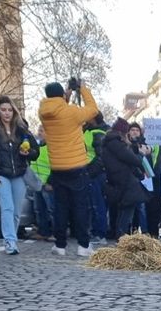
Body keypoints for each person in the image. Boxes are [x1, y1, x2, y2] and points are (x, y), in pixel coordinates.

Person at [38, 78, 100, 256]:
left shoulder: (43, 113)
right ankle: (83, 246)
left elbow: (57, 107)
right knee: (80, 207)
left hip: (57, 167)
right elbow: (93, 109)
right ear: (61, 95)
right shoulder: (72, 112)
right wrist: (83, 89)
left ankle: (60, 245)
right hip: (76, 166)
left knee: (60, 208)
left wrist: (66, 94)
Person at [0, 96, 39, 254]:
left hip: (19, 173)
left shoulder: (22, 129)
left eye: (10, 110)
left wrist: (27, 153)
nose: (7, 113)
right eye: (3, 110)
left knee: (16, 211)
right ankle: (10, 241)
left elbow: (35, 152)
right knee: (7, 208)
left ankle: (11, 239)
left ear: (14, 112)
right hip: (0, 174)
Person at [101, 118, 150, 235]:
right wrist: (141, 153)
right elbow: (133, 160)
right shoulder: (117, 144)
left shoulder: (110, 143)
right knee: (126, 213)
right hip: (125, 182)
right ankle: (122, 237)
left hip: (118, 181)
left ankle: (121, 236)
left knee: (123, 212)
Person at [82, 114, 109, 240]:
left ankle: (100, 233)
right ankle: (94, 231)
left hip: (95, 174)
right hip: (89, 172)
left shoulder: (98, 133)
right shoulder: (88, 130)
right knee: (92, 204)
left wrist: (90, 172)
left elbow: (101, 157)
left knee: (98, 204)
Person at [28, 128, 54, 240]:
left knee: (52, 210)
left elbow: (55, 167)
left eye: (42, 131)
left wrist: (51, 182)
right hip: (37, 184)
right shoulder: (37, 147)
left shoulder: (52, 148)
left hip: (48, 185)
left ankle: (56, 233)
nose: (39, 133)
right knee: (39, 209)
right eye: (39, 130)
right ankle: (43, 232)